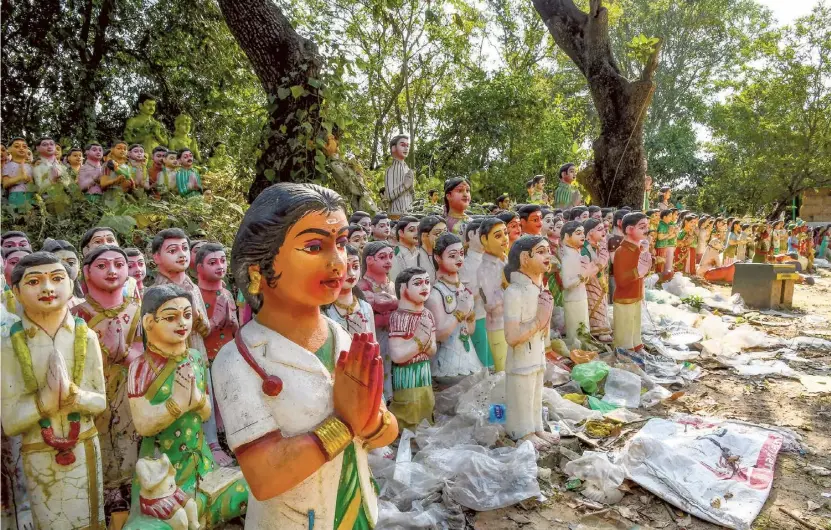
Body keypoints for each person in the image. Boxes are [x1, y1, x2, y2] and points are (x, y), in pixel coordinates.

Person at [213, 182, 398, 529]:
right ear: (259, 269)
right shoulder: (238, 360)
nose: (338, 262)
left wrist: (369, 419)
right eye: (315, 246)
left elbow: (386, 431)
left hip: (358, 511)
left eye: (341, 243)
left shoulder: (342, 336)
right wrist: (345, 423)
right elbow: (265, 477)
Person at [1, 252, 107, 529]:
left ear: (72, 285)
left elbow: (100, 402)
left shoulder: (87, 336)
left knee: (91, 520)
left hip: (84, 444)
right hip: (39, 454)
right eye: (34, 281)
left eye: (57, 279)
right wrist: (43, 404)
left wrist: (74, 396)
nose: (48, 288)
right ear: (15, 291)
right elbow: (11, 422)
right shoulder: (9, 345)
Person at [503, 236, 556, 450]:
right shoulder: (514, 292)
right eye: (542, 251)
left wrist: (545, 319)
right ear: (525, 258)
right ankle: (522, 432)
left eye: (548, 250)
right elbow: (512, 336)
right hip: (521, 359)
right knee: (521, 396)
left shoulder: (538, 289)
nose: (548, 255)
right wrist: (539, 320)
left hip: (537, 355)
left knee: (535, 395)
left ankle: (536, 427)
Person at [388, 268, 437, 431]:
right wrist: (419, 341)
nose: (425, 287)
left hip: (424, 371)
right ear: (403, 289)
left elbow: (433, 350)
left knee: (426, 404)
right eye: (418, 283)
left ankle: (423, 435)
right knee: (409, 408)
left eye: (427, 282)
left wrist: (424, 343)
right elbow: (397, 356)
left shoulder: (428, 315)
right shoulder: (399, 317)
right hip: (406, 375)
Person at [613, 213, 651, 351]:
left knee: (635, 327)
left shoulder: (638, 249)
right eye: (642, 227)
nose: (646, 230)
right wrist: (638, 272)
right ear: (629, 230)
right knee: (626, 330)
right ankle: (625, 352)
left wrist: (646, 254)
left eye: (647, 226)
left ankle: (636, 347)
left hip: (636, 295)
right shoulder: (621, 251)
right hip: (625, 298)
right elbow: (621, 280)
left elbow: (645, 270)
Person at [415, 215, 447, 282]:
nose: (443, 237)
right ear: (424, 236)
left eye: (445, 232)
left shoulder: (445, 256)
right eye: (438, 233)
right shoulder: (415, 258)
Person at [389, 216, 420, 283]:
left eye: (419, 230)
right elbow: (394, 280)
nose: (417, 233)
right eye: (411, 230)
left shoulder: (421, 252)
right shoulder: (394, 254)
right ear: (401, 233)